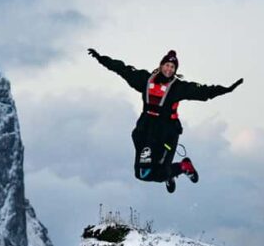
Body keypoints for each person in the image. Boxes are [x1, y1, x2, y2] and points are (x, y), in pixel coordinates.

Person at [88, 48, 243, 193]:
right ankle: (170, 173)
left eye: (172, 67)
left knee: (160, 172)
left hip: (167, 133)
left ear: (175, 70)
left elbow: (203, 92)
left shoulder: (178, 87)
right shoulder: (145, 80)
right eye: (167, 65)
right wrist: (101, 58)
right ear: (161, 65)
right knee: (142, 174)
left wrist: (226, 89)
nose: (169, 69)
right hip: (145, 131)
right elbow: (123, 69)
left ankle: (183, 167)